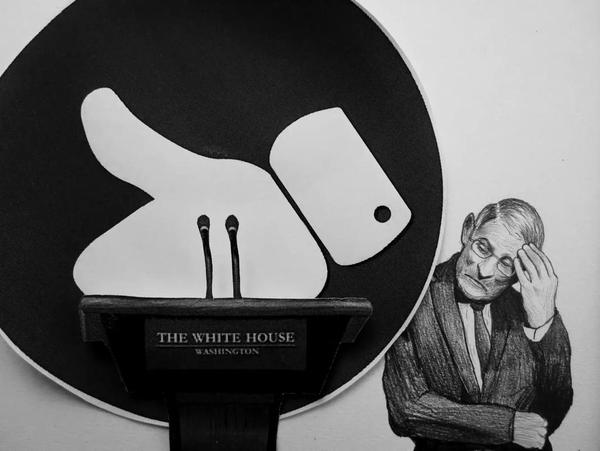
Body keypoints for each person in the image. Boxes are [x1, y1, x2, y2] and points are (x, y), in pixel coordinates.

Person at [382, 198, 572, 451]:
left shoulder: (527, 312)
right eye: (482, 247)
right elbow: (407, 409)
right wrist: (506, 426)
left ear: (520, 273)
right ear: (467, 230)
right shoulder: (415, 296)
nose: (485, 270)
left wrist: (544, 323)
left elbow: (551, 413)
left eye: (506, 263)